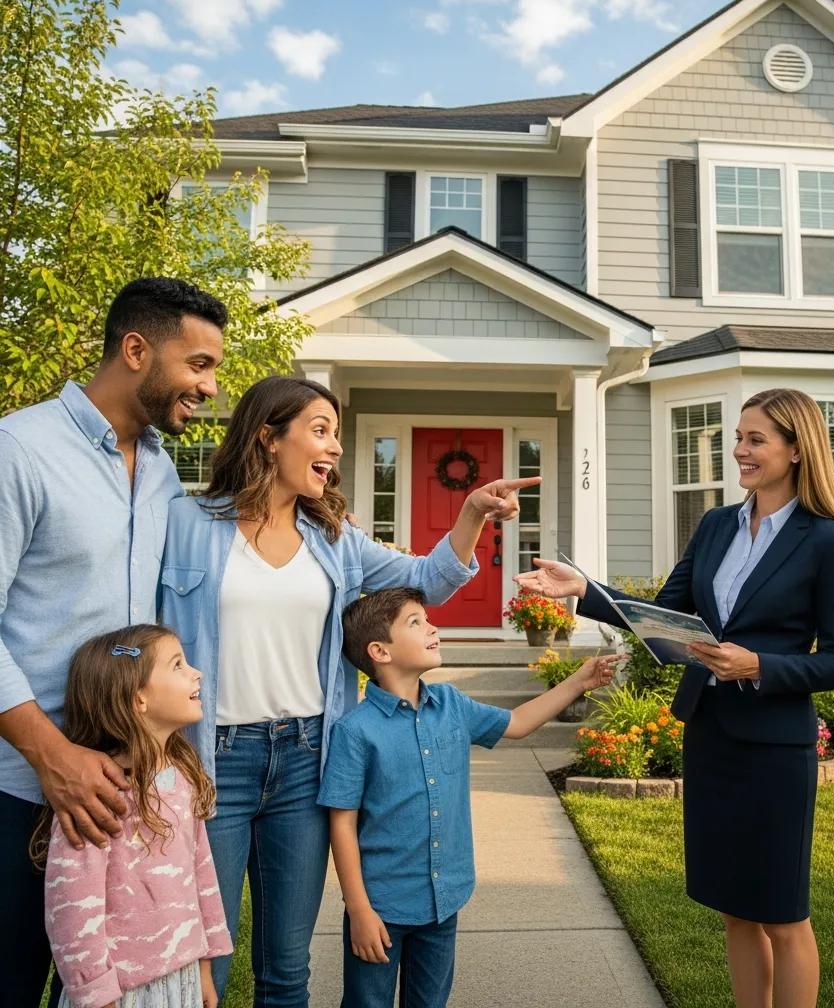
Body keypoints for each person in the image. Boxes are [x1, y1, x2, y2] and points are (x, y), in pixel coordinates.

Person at [159, 375, 540, 1007]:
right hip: (209, 760)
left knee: (286, 966)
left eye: (336, 433)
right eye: (319, 431)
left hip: (307, 758)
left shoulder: (334, 539)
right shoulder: (187, 523)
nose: (334, 447)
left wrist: (472, 511)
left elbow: (426, 579)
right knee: (207, 959)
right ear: (266, 437)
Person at [515, 388, 834, 1008]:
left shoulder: (829, 541)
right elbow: (666, 612)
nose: (739, 451)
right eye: (739, 437)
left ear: (796, 448)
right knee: (734, 908)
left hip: (775, 750)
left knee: (783, 914)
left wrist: (758, 665)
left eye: (756, 439)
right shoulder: (714, 525)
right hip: (712, 737)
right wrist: (585, 589)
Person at [0, 277, 226, 1006]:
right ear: (136, 349)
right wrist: (51, 752)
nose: (209, 386)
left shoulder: (162, 473)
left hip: (125, 793)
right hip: (19, 788)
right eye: (197, 364)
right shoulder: (19, 450)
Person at [319, 586, 622, 1008]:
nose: (432, 627)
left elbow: (516, 723)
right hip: (382, 907)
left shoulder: (451, 704)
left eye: (427, 619)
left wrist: (579, 681)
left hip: (444, 899)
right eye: (415, 623)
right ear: (380, 651)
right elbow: (342, 823)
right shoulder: (355, 731)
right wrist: (360, 911)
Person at [41, 623, 232, 1008]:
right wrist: (97, 996)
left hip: (181, 979)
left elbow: (203, 876)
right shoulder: (98, 797)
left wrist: (206, 965)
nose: (196, 673)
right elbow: (73, 909)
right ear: (138, 699)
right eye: (178, 665)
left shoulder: (182, 777)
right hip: (121, 993)